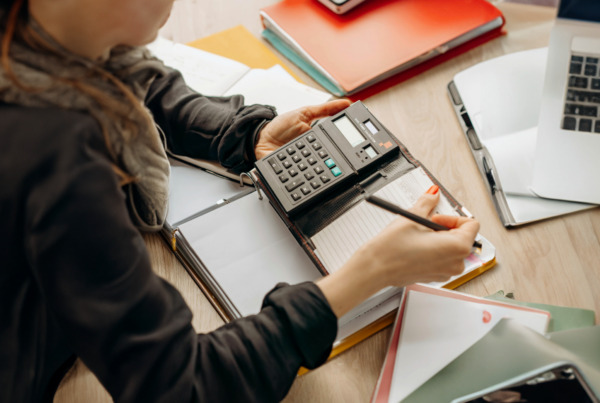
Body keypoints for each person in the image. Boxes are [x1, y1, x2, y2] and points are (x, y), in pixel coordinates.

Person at [0, 0, 480, 402]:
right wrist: (370, 273)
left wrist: (243, 133)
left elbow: (134, 78)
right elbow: (182, 386)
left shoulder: (38, 44)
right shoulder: (53, 152)